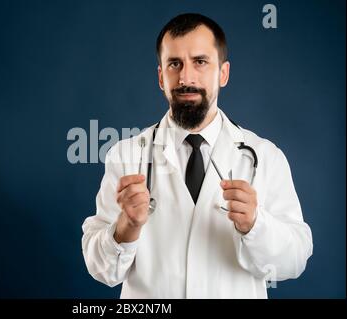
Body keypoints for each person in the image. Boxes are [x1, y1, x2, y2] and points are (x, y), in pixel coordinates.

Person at [81, 13, 313, 298]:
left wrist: (256, 224)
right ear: (160, 77)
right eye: (174, 64)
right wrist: (125, 227)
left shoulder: (265, 156)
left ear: (223, 73)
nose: (185, 77)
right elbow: (101, 270)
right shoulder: (127, 155)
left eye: (200, 62)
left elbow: (295, 260)